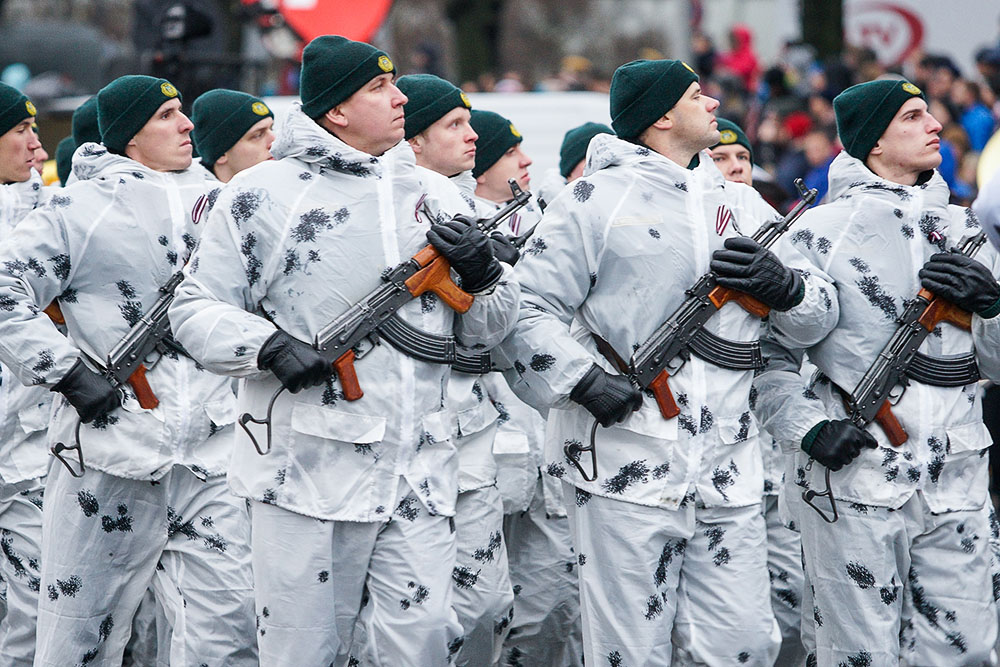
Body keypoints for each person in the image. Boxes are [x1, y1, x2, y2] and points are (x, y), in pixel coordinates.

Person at [168, 36, 520, 666]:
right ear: (336, 110)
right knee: (302, 651)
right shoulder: (261, 194)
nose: (401, 97)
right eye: (379, 88)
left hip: (418, 472)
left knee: (423, 646)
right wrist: (267, 345)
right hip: (306, 474)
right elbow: (193, 310)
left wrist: (483, 275)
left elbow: (489, 332)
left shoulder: (435, 195)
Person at [501, 57, 835, 666]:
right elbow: (524, 307)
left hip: (728, 471)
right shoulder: (590, 201)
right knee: (630, 650)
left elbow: (815, 318)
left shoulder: (747, 205)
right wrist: (579, 380)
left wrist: (785, 287)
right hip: (624, 461)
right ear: (660, 116)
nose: (713, 104)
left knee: (744, 646)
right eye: (695, 94)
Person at [0, 74, 257, 666]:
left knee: (232, 630)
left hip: (211, 457)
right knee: (77, 638)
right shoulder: (78, 207)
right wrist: (64, 371)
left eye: (183, 113)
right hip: (110, 455)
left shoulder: (223, 205)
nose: (187, 124)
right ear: (130, 137)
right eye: (167, 116)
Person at [754, 78, 1000, 666]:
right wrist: (807, 429)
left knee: (968, 651)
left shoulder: (964, 229)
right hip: (855, 476)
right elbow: (767, 357)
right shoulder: (816, 233)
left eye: (929, 112)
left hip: (957, 477)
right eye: (913, 117)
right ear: (873, 143)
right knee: (857, 653)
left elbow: (994, 361)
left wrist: (992, 307)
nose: (935, 124)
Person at [396, 71, 516, 667]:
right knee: (410, 624)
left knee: (488, 606)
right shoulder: (388, 209)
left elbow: (499, 328)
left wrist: (489, 273)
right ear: (413, 141)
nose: (473, 137)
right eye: (454, 125)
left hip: (468, 436)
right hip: (392, 440)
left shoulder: (475, 209)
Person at [708, 116, 807, 667]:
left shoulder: (786, 239)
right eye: (721, 159)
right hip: (719, 442)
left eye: (742, 159)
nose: (735, 168)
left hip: (782, 443)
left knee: (792, 599)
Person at [0, 81, 47, 667]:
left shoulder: (48, 217)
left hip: (28, 455)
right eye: (20, 130)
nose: (37, 146)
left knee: (36, 610)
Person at [190, 89, 275, 183]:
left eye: (272, 129)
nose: (274, 141)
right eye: (257, 135)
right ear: (221, 154)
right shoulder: (190, 195)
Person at [536, 121, 614, 206]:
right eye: (590, 161)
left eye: (612, 163)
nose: (603, 168)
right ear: (569, 173)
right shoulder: (545, 215)